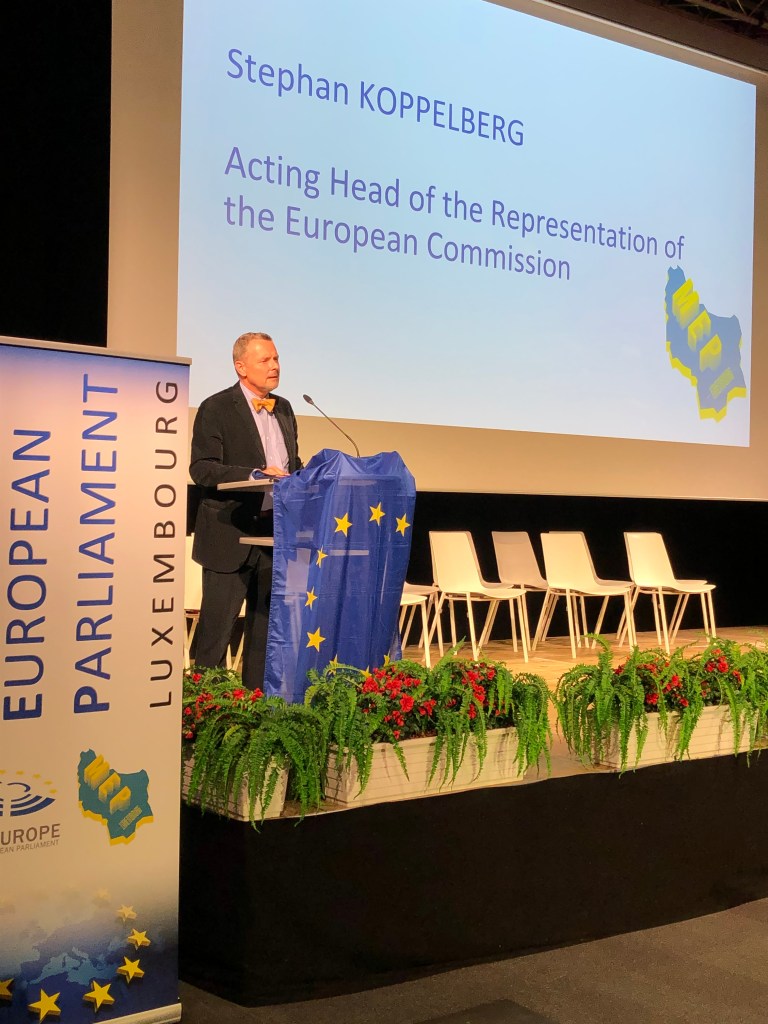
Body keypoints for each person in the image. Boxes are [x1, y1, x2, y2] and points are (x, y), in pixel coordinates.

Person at [189, 331, 301, 689]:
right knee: (215, 637)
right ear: (241, 367)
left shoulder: (284, 408)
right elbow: (202, 469)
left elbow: (292, 464)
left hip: (272, 535)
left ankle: (256, 708)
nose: (275, 366)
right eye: (265, 360)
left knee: (263, 638)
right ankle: (205, 708)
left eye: (276, 358)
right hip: (229, 535)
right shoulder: (216, 407)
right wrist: (254, 475)